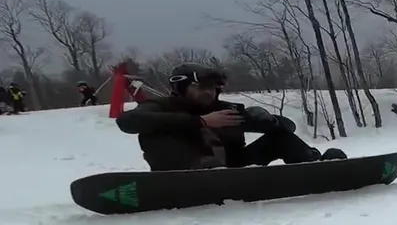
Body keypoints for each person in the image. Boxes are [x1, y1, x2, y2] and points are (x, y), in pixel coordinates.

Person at [116, 63, 346, 172]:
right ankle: (204, 171)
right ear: (182, 87)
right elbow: (127, 122)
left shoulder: (226, 109)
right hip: (182, 171)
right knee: (158, 131)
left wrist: (270, 121)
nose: (209, 92)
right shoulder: (161, 105)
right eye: (202, 87)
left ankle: (315, 166)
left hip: (229, 168)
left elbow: (288, 128)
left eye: (213, 88)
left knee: (279, 136)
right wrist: (201, 122)